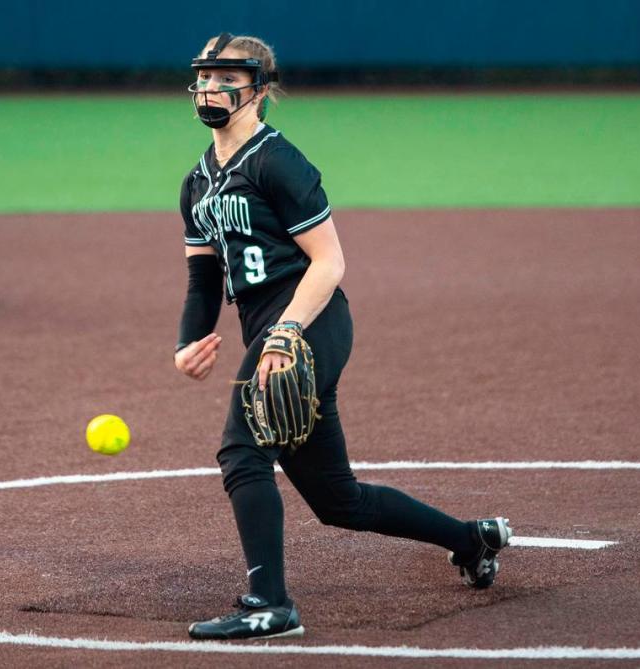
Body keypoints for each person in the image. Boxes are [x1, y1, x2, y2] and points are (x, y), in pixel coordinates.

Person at [174, 34, 512, 641]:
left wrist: (283, 335)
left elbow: (329, 263)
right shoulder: (197, 182)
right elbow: (203, 278)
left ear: (259, 88)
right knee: (338, 502)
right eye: (204, 76)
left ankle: (269, 605)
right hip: (277, 331)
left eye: (227, 76)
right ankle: (471, 539)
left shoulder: (278, 160)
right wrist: (188, 341)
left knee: (243, 451)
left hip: (310, 322)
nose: (211, 87)